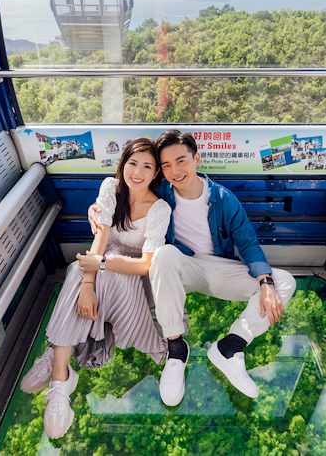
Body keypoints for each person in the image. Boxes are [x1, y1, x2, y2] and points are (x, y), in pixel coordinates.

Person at [89, 130, 295, 406]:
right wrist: (96, 208)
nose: (175, 171)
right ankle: (176, 350)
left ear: (196, 159)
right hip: (181, 268)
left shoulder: (223, 198)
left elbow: (248, 243)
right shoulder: (161, 192)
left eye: (181, 161)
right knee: (163, 255)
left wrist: (265, 283)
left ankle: (230, 347)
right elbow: (127, 190)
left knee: (285, 282)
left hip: (219, 269)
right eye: (166, 165)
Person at [20, 138, 171, 439]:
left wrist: (99, 264)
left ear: (156, 173)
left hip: (133, 275)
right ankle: (60, 379)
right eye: (132, 163)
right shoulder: (110, 188)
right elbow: (100, 238)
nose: (137, 172)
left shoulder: (159, 209)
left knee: (91, 268)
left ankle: (58, 351)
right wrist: (88, 282)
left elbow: (145, 265)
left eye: (147, 167)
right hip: (102, 263)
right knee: (78, 270)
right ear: (122, 164)